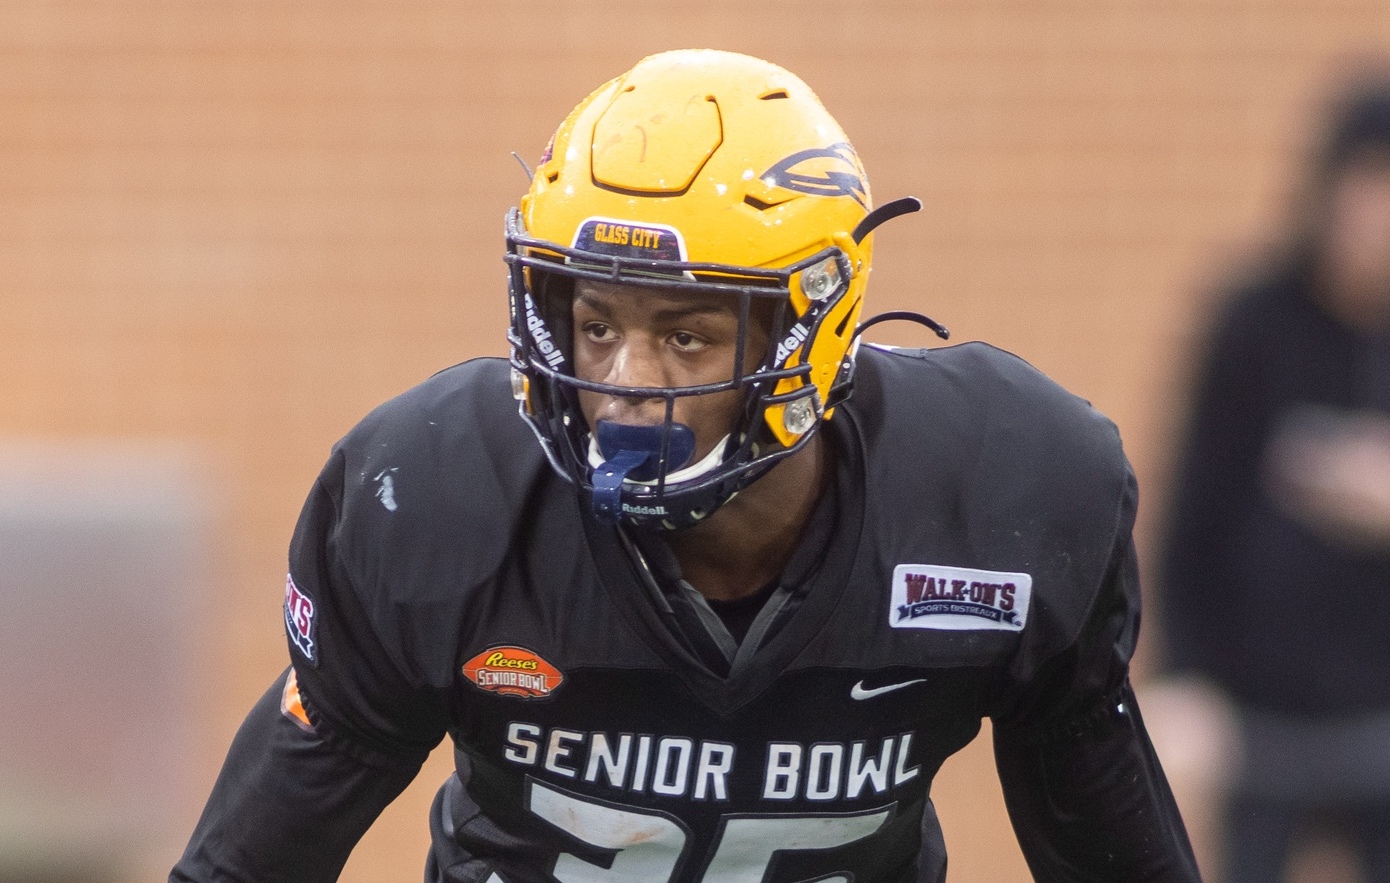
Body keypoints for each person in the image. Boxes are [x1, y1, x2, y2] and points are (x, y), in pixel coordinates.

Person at [171, 49, 1200, 883]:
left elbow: (1113, 849)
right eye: (595, 323)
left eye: (690, 336)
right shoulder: (436, 503)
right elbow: (252, 861)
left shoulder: (1002, 489)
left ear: (812, 333)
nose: (626, 380)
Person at [1159, 76, 1390, 883]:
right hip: (1260, 717)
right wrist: (1181, 675)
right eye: (1368, 186)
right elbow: (1194, 504)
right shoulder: (1256, 321)